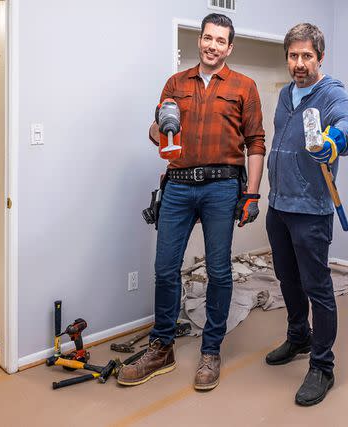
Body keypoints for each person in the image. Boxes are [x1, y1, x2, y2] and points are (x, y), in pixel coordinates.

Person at [118, 13, 266, 391]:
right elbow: (156, 136)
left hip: (221, 187)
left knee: (218, 270)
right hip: (179, 186)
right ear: (200, 40)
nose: (212, 45)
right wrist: (159, 124)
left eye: (220, 40)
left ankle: (211, 350)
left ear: (229, 47)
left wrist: (251, 194)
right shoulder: (175, 83)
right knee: (166, 268)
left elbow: (256, 142)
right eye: (207, 38)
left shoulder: (244, 86)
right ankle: (161, 346)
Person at [264, 23, 348, 406]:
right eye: (293, 55)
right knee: (286, 279)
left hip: (311, 210)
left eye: (306, 56)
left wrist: (335, 142)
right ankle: (299, 336)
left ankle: (323, 365)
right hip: (278, 205)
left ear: (320, 57)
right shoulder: (286, 94)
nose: (299, 63)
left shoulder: (331, 92)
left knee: (317, 286)